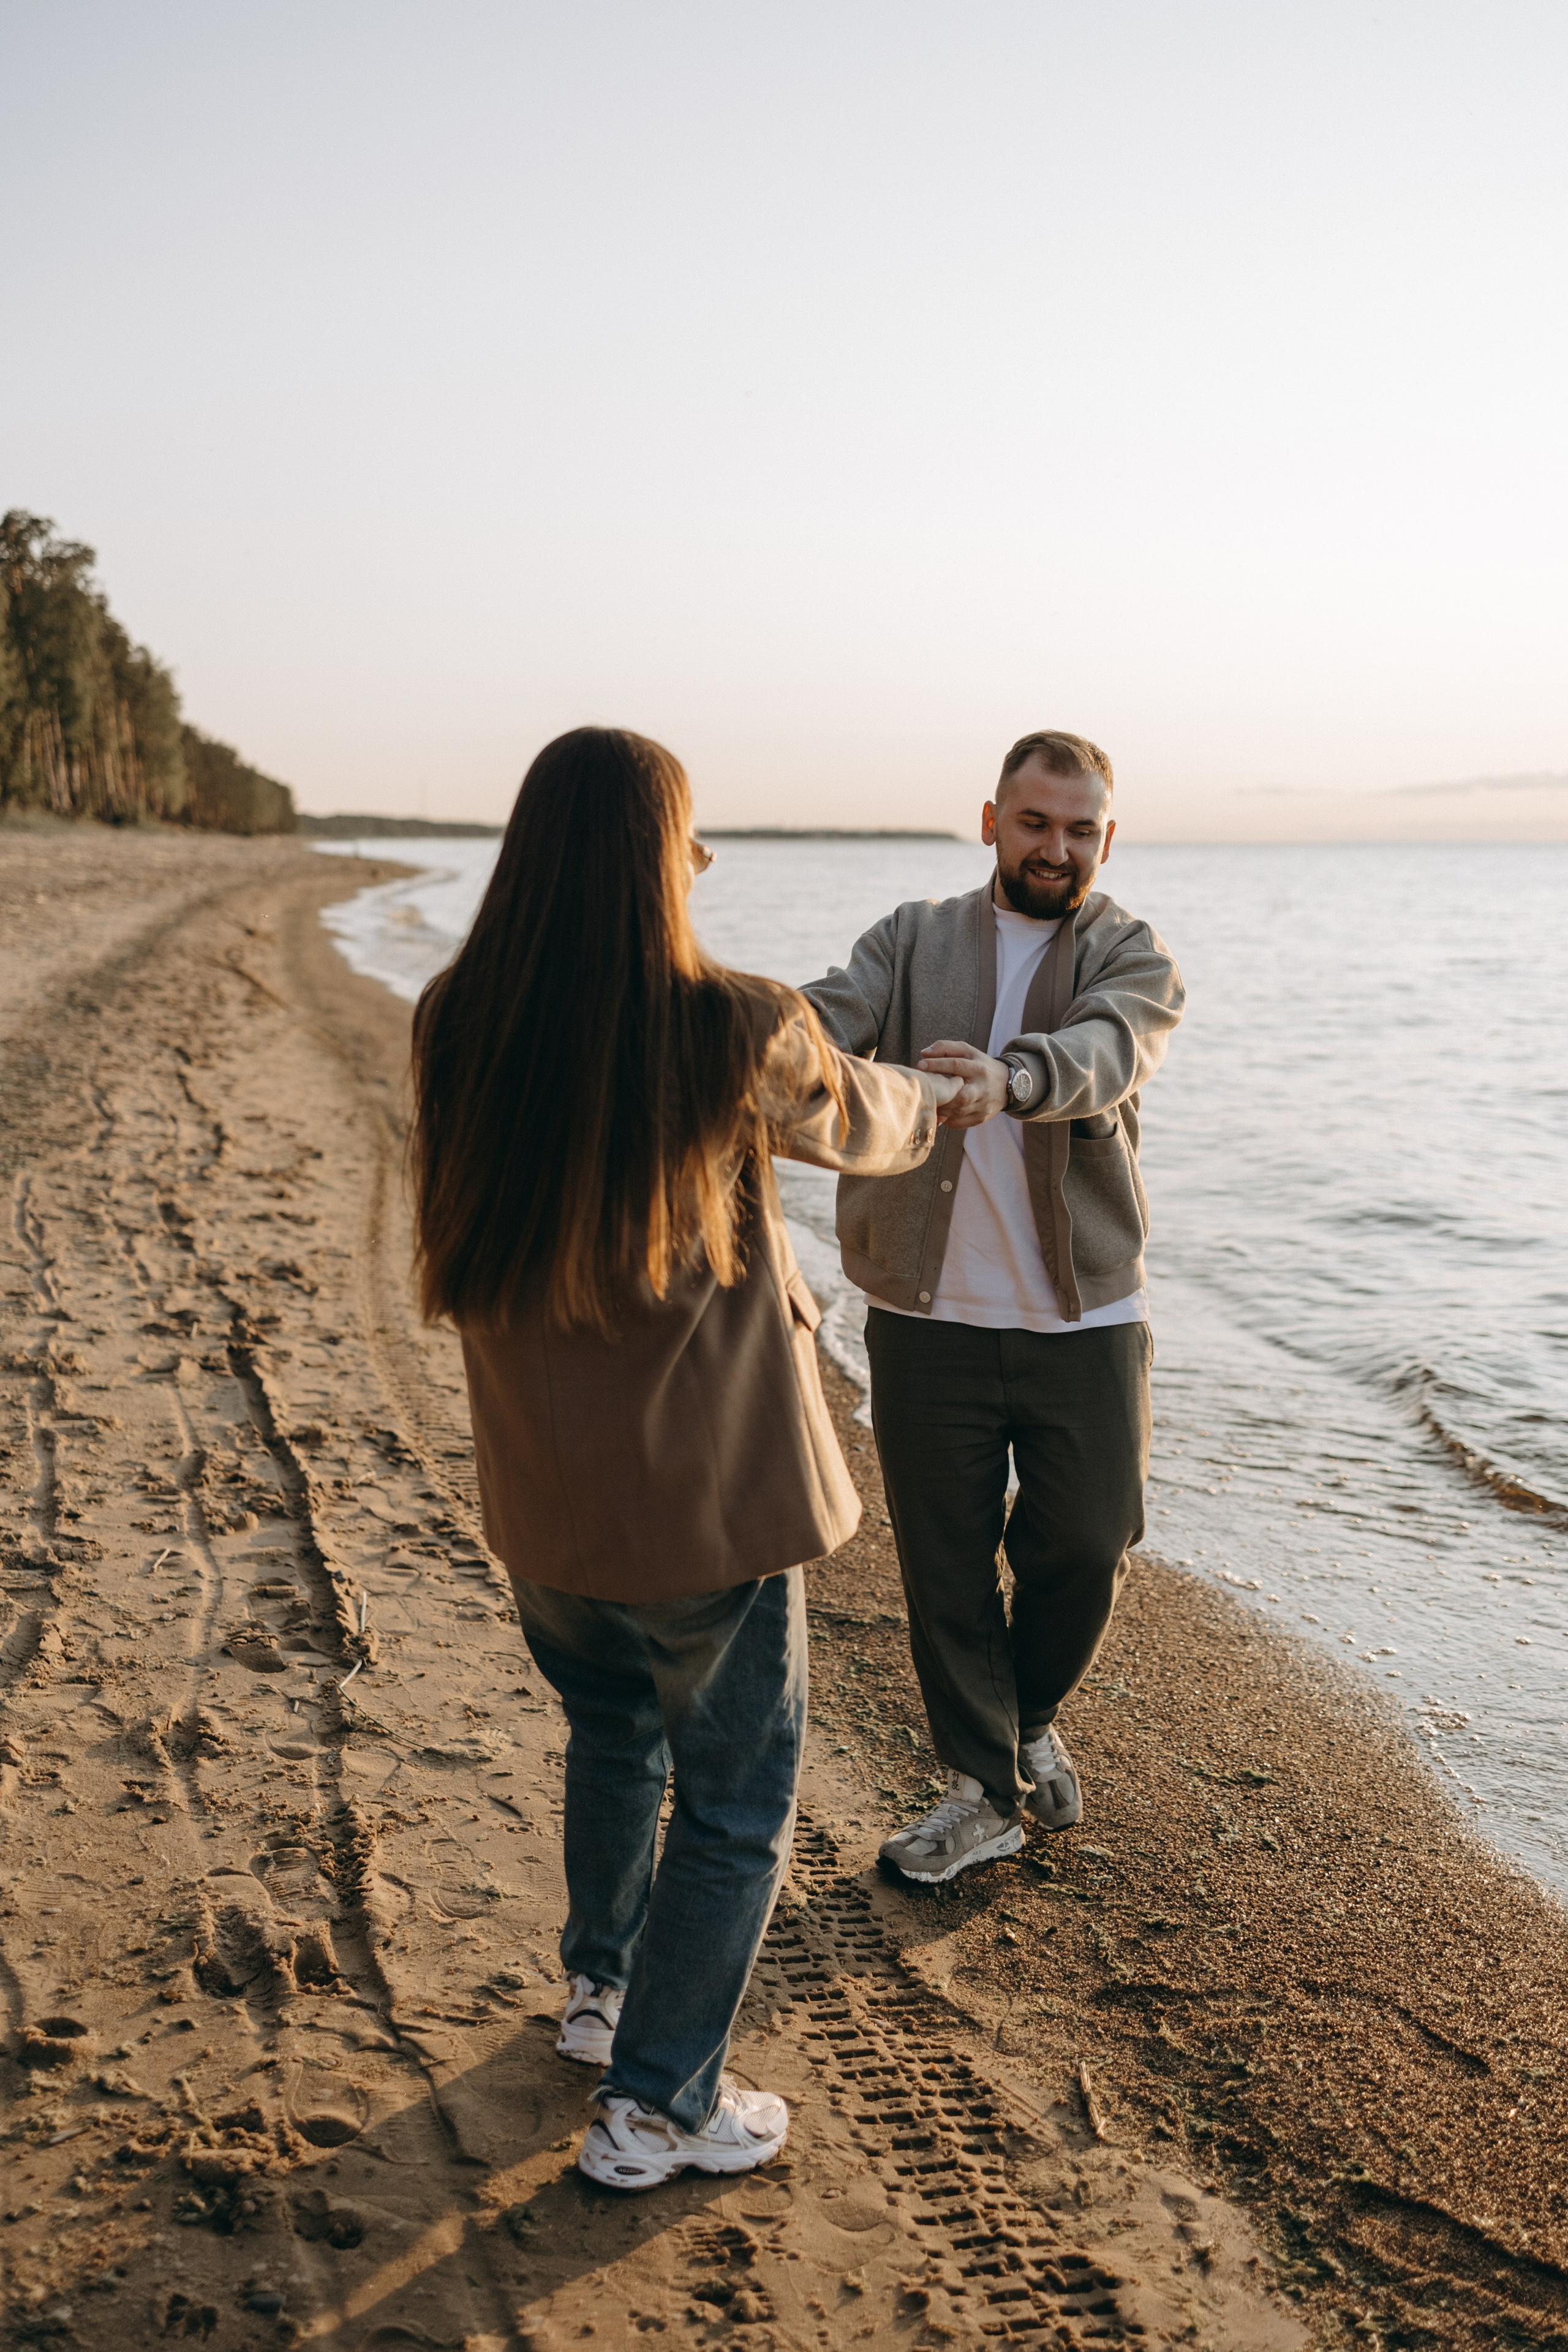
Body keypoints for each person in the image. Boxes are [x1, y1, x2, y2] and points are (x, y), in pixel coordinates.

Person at [408, 727, 961, 2190]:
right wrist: (949, 1091)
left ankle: (601, 1996)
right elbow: (863, 1122)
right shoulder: (732, 1023)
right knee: (734, 1800)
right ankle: (654, 2108)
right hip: (701, 1504)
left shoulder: (457, 1017)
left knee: (611, 1732)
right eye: (689, 837)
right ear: (663, 857)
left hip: (544, 1493)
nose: (702, 859)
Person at [801, 730, 1185, 1885]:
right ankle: (981, 1794)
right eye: (1034, 823)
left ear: (1106, 839)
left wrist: (1009, 1079)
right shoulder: (912, 937)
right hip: (928, 1320)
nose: (1056, 847)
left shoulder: (1130, 952)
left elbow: (1110, 1049)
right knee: (946, 1566)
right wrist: (725, 1030)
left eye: (1080, 829)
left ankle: (1023, 1722)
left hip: (1085, 1321)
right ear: (991, 823)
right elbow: (822, 1022)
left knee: (1091, 1541)